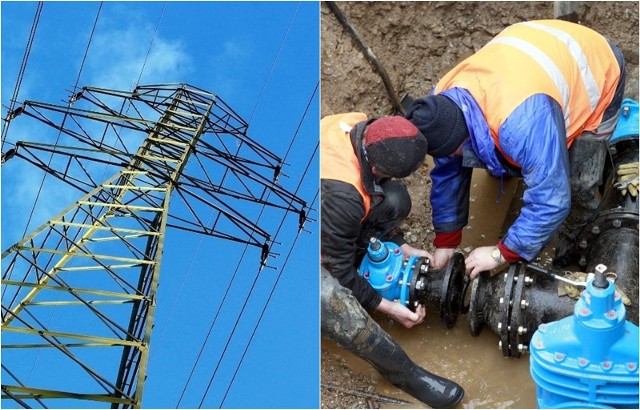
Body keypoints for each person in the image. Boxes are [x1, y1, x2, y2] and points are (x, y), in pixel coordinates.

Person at [404, 19, 626, 278]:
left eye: (453, 151)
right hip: (532, 57)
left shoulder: (522, 122)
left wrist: (501, 253)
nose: (450, 156)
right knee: (501, 155)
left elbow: (553, 200)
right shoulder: (441, 102)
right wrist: (447, 240)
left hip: (598, 70)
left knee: (577, 182)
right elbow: (447, 173)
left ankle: (572, 253)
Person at [320, 113, 465, 408]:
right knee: (330, 299)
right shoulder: (343, 195)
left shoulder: (360, 123)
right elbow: (340, 272)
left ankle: (363, 245)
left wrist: (402, 246)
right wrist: (387, 307)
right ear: (374, 165)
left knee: (395, 198)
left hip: (328, 210)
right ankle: (403, 372)